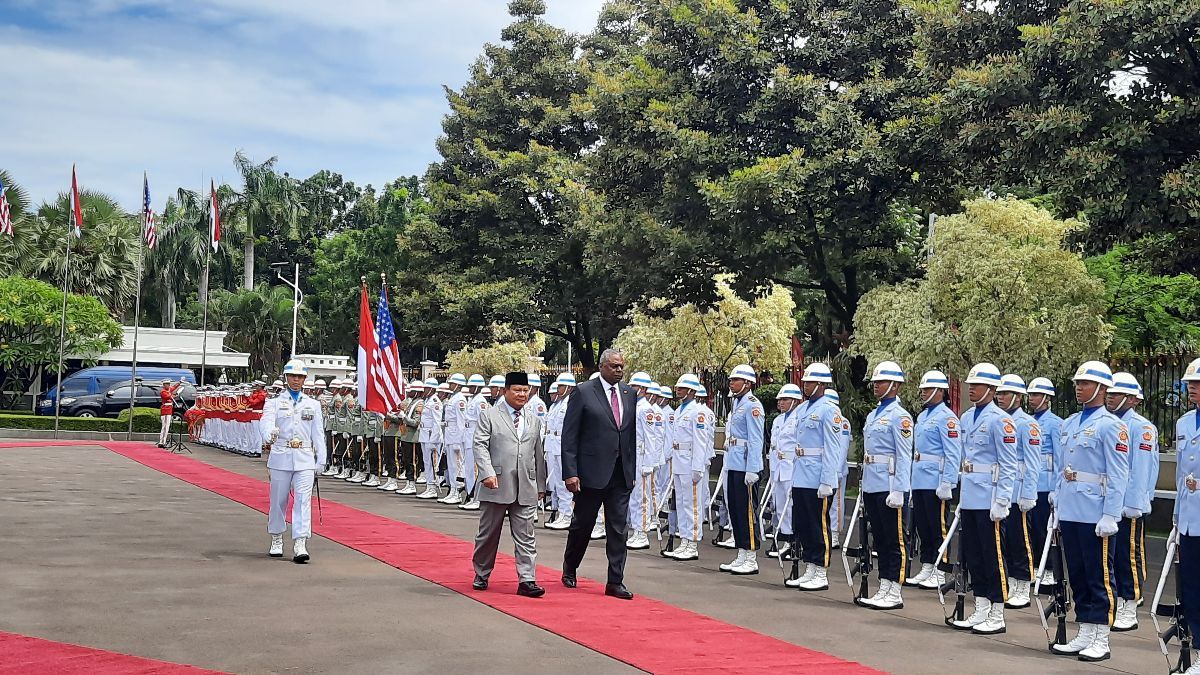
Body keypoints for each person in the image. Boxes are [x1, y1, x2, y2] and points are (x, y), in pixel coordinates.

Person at [1051, 361, 1129, 662]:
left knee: (1099, 576)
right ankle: (1084, 629)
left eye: (1085, 383)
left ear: (1101, 388)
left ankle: (1101, 636)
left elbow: (1118, 473)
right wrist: (1057, 502)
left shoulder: (1112, 426)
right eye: (1078, 383)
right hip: (1072, 508)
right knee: (1078, 574)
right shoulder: (1069, 423)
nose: (1079, 388)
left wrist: (1111, 513)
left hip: (1096, 511)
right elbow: (1063, 468)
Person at [560, 349, 638, 600]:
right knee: (583, 524)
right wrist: (570, 472)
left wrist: (631, 470)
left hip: (619, 473)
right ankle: (570, 567)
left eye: (621, 367)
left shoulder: (629, 394)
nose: (618, 370)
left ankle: (615, 580)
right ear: (603, 366)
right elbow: (569, 436)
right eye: (614, 366)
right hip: (590, 473)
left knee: (618, 528)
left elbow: (630, 436)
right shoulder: (583, 392)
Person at [952, 363, 1019, 635]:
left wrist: (1002, 500)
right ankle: (980, 605)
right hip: (971, 495)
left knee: (994, 557)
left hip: (990, 498)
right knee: (974, 556)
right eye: (971, 384)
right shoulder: (967, 418)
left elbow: (1008, 464)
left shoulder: (1001, 420)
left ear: (991, 389)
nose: (972, 388)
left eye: (977, 385)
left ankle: (997, 611)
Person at [470, 372, 547, 597]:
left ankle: (527, 579)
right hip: (496, 483)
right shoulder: (490, 415)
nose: (522, 394)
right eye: (517, 390)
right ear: (505, 391)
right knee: (488, 535)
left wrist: (540, 484)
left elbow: (537, 453)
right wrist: (486, 472)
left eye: (526, 390)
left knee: (526, 535)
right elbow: (480, 445)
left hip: (526, 485)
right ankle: (481, 573)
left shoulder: (534, 419)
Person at [857, 361, 913, 610]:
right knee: (879, 539)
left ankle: (895, 589)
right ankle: (884, 584)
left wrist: (900, 489)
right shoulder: (874, 414)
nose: (875, 386)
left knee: (894, 540)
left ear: (894, 385)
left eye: (880, 382)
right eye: (875, 382)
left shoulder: (900, 417)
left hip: (890, 485)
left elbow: (904, 455)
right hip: (873, 483)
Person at [259, 359, 327, 564]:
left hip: (305, 458)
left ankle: (300, 543)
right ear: (286, 378)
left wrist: (321, 459)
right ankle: (277, 537)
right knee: (278, 501)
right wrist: (268, 433)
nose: (296, 380)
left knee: (303, 501)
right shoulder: (274, 402)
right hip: (281, 455)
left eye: (300, 377)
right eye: (292, 376)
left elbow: (318, 434)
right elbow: (266, 421)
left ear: (305, 379)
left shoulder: (313, 405)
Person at [786, 363, 845, 590]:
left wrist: (828, 480)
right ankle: (810, 566)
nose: (805, 386)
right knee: (804, 524)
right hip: (801, 473)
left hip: (817, 475)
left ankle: (821, 571)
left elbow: (832, 448)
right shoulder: (803, 409)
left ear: (820, 385)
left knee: (818, 525)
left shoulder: (830, 410)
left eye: (809, 383)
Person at [1104, 372, 1156, 632]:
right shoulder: (1107, 423)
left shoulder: (1142, 427)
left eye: (1115, 394)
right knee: (1110, 556)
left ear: (1132, 399)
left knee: (1129, 554)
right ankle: (1116, 599)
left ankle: (1130, 601)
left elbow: (1141, 469)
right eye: (1109, 393)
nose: (1110, 397)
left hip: (1128, 503)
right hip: (1106, 502)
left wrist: (1134, 502)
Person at [905, 370, 962, 590]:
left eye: (927, 389)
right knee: (923, 527)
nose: (923, 392)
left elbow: (953, 452)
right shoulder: (922, 416)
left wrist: (947, 481)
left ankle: (941, 567)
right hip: (921, 479)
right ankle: (928, 565)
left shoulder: (947, 418)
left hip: (936, 481)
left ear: (940, 391)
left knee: (938, 527)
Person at [995, 374, 1041, 610]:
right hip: (999, 490)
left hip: (1018, 488)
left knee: (1020, 539)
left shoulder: (1027, 424)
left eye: (1005, 393)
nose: (1000, 397)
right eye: (999, 393)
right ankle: (1009, 580)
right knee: (1002, 540)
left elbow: (1033, 463)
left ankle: (1023, 582)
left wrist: (1028, 493)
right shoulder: (996, 420)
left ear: (1018, 397)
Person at [720, 364, 766, 575]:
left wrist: (753, 468)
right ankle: (741, 552)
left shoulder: (752, 406)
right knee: (736, 511)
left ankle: (751, 556)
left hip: (746, 464)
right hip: (734, 462)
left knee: (747, 512)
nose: (731, 382)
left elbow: (756, 440)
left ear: (747, 383)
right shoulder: (737, 403)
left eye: (735, 379)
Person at [1173, 357, 1200, 674]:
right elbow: (1182, 476)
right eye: (1190, 383)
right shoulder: (1182, 423)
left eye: (1198, 383)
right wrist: (1178, 519)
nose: (1192, 387)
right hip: (1191, 521)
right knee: (1192, 589)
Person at [1027, 377, 1063, 586]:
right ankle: (1033, 565)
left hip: (1046, 483)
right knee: (1030, 530)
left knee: (1043, 528)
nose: (1032, 399)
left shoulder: (1055, 424)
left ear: (1047, 398)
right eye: (1031, 395)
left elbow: (1059, 459)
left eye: (1037, 395)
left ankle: (1049, 568)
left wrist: (1056, 489)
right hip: (1030, 484)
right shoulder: (1028, 421)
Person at [767, 384, 803, 559]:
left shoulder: (799, 419)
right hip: (778, 466)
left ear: (795, 401)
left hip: (792, 466)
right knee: (780, 505)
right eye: (780, 399)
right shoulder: (778, 420)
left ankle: (795, 543)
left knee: (791, 507)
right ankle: (786, 539)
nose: (781, 402)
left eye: (785, 399)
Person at [545, 374, 576, 529]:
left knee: (565, 484)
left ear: (569, 388)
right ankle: (562, 513)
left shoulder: (571, 403)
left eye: (560, 386)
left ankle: (567, 515)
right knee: (558, 483)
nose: (558, 389)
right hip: (554, 445)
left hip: (564, 446)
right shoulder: (557, 405)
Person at [158, 378, 185, 447]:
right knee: (165, 427)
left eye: (169, 384)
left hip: (169, 410)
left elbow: (174, 387)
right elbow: (169, 397)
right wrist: (176, 394)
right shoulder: (163, 392)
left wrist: (180, 382)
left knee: (166, 426)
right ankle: (162, 442)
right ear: (164, 385)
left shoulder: (168, 390)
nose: (169, 385)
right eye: (167, 384)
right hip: (166, 410)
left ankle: (162, 441)